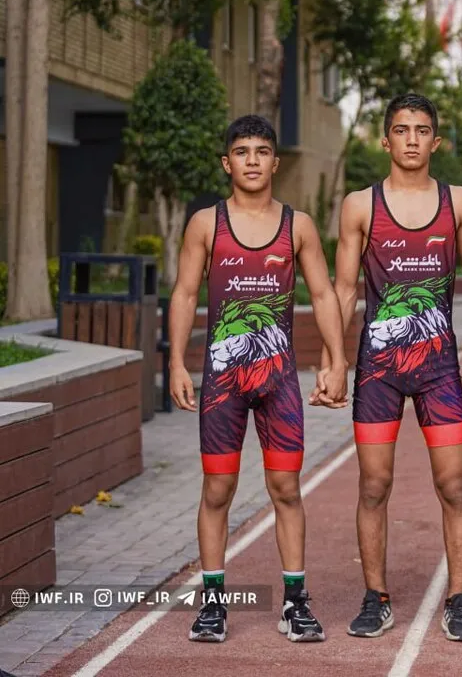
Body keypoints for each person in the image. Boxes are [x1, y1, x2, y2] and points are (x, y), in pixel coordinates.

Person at [169, 114, 349, 644]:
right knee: (217, 489)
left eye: (262, 151)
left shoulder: (299, 226)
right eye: (242, 152)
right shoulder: (206, 224)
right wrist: (176, 362)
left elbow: (323, 294)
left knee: (286, 489)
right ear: (227, 163)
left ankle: (295, 602)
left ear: (275, 162)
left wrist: (338, 361)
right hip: (222, 383)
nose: (252, 160)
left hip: (278, 382)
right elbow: (184, 293)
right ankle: (213, 603)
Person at [329, 93, 462, 641]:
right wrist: (333, 360)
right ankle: (375, 596)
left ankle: (459, 600)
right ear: (386, 140)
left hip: (439, 369)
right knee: (374, 485)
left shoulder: (457, 202)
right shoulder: (360, 206)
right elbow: (343, 289)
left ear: (435, 141)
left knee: (453, 486)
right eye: (401, 130)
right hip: (377, 369)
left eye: (421, 130)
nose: (411, 139)